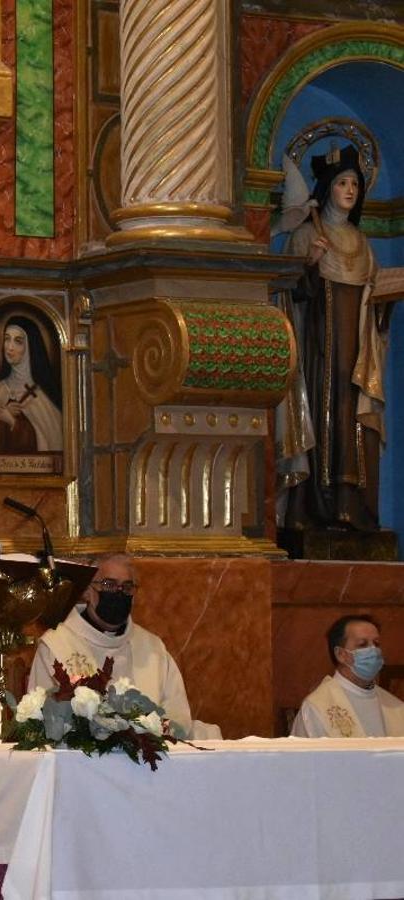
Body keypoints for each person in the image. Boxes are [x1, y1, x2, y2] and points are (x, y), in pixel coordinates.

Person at [281, 145, 385, 531]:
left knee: (349, 415)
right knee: (317, 416)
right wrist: (308, 266)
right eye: (342, 182)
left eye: (355, 184)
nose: (350, 190)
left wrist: (383, 302)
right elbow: (288, 297)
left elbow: (373, 302)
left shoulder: (364, 244)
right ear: (326, 188)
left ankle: (348, 505)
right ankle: (308, 507)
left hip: (355, 352)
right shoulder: (307, 235)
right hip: (317, 349)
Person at [27, 553, 195, 738]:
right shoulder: (57, 644)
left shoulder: (152, 649)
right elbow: (39, 719)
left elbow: (177, 715)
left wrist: (152, 732)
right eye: (109, 585)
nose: (119, 592)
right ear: (87, 592)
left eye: (127, 587)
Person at [292, 614, 404, 737]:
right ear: (341, 654)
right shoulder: (317, 707)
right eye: (362, 644)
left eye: (376, 644)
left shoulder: (396, 707)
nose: (373, 651)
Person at [0, 316, 63, 453]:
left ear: (30, 347)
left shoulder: (43, 397)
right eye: (6, 339)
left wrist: (12, 422)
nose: (9, 347)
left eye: (18, 341)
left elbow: (53, 440)